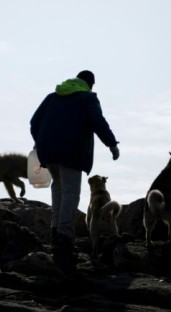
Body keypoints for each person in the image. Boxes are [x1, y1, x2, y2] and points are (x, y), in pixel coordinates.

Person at [30, 70, 120, 271]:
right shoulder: (87, 98)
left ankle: (55, 228)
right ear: (91, 84)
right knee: (71, 191)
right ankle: (64, 234)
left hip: (48, 153)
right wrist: (112, 144)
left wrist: (40, 142)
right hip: (71, 152)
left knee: (58, 188)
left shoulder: (52, 97)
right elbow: (98, 122)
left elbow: (34, 122)